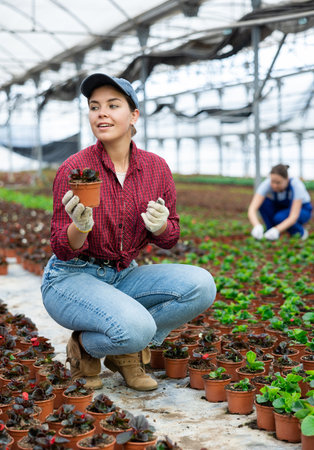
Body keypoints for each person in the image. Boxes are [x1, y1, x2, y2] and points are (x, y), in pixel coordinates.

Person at [41, 73, 216, 391]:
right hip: (71, 276)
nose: (101, 113)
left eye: (112, 105)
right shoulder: (74, 170)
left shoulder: (155, 168)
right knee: (136, 326)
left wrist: (161, 225)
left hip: (123, 274)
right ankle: (94, 347)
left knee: (202, 286)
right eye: (94, 107)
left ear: (134, 115)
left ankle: (115, 348)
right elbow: (61, 247)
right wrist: (80, 229)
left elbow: (170, 237)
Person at [248, 163, 312, 241]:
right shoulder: (266, 184)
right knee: (264, 203)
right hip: (282, 209)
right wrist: (256, 225)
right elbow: (252, 208)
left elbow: (293, 216)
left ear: (287, 179)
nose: (274, 185)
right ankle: (270, 232)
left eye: (278, 183)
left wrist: (277, 230)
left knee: (280, 217)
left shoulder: (296, 185)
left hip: (302, 210)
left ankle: (301, 232)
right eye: (272, 182)